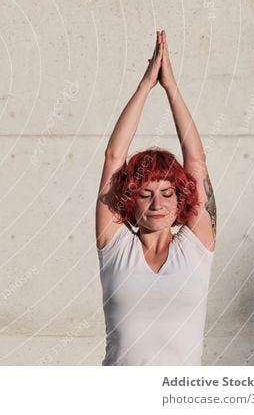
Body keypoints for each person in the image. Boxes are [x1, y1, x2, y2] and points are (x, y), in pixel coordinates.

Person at [95, 30, 217, 365]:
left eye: (167, 193)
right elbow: (114, 156)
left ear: (180, 200)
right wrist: (145, 87)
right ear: (130, 201)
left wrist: (172, 89)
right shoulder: (115, 246)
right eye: (146, 194)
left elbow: (196, 163)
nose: (157, 203)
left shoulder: (196, 247)